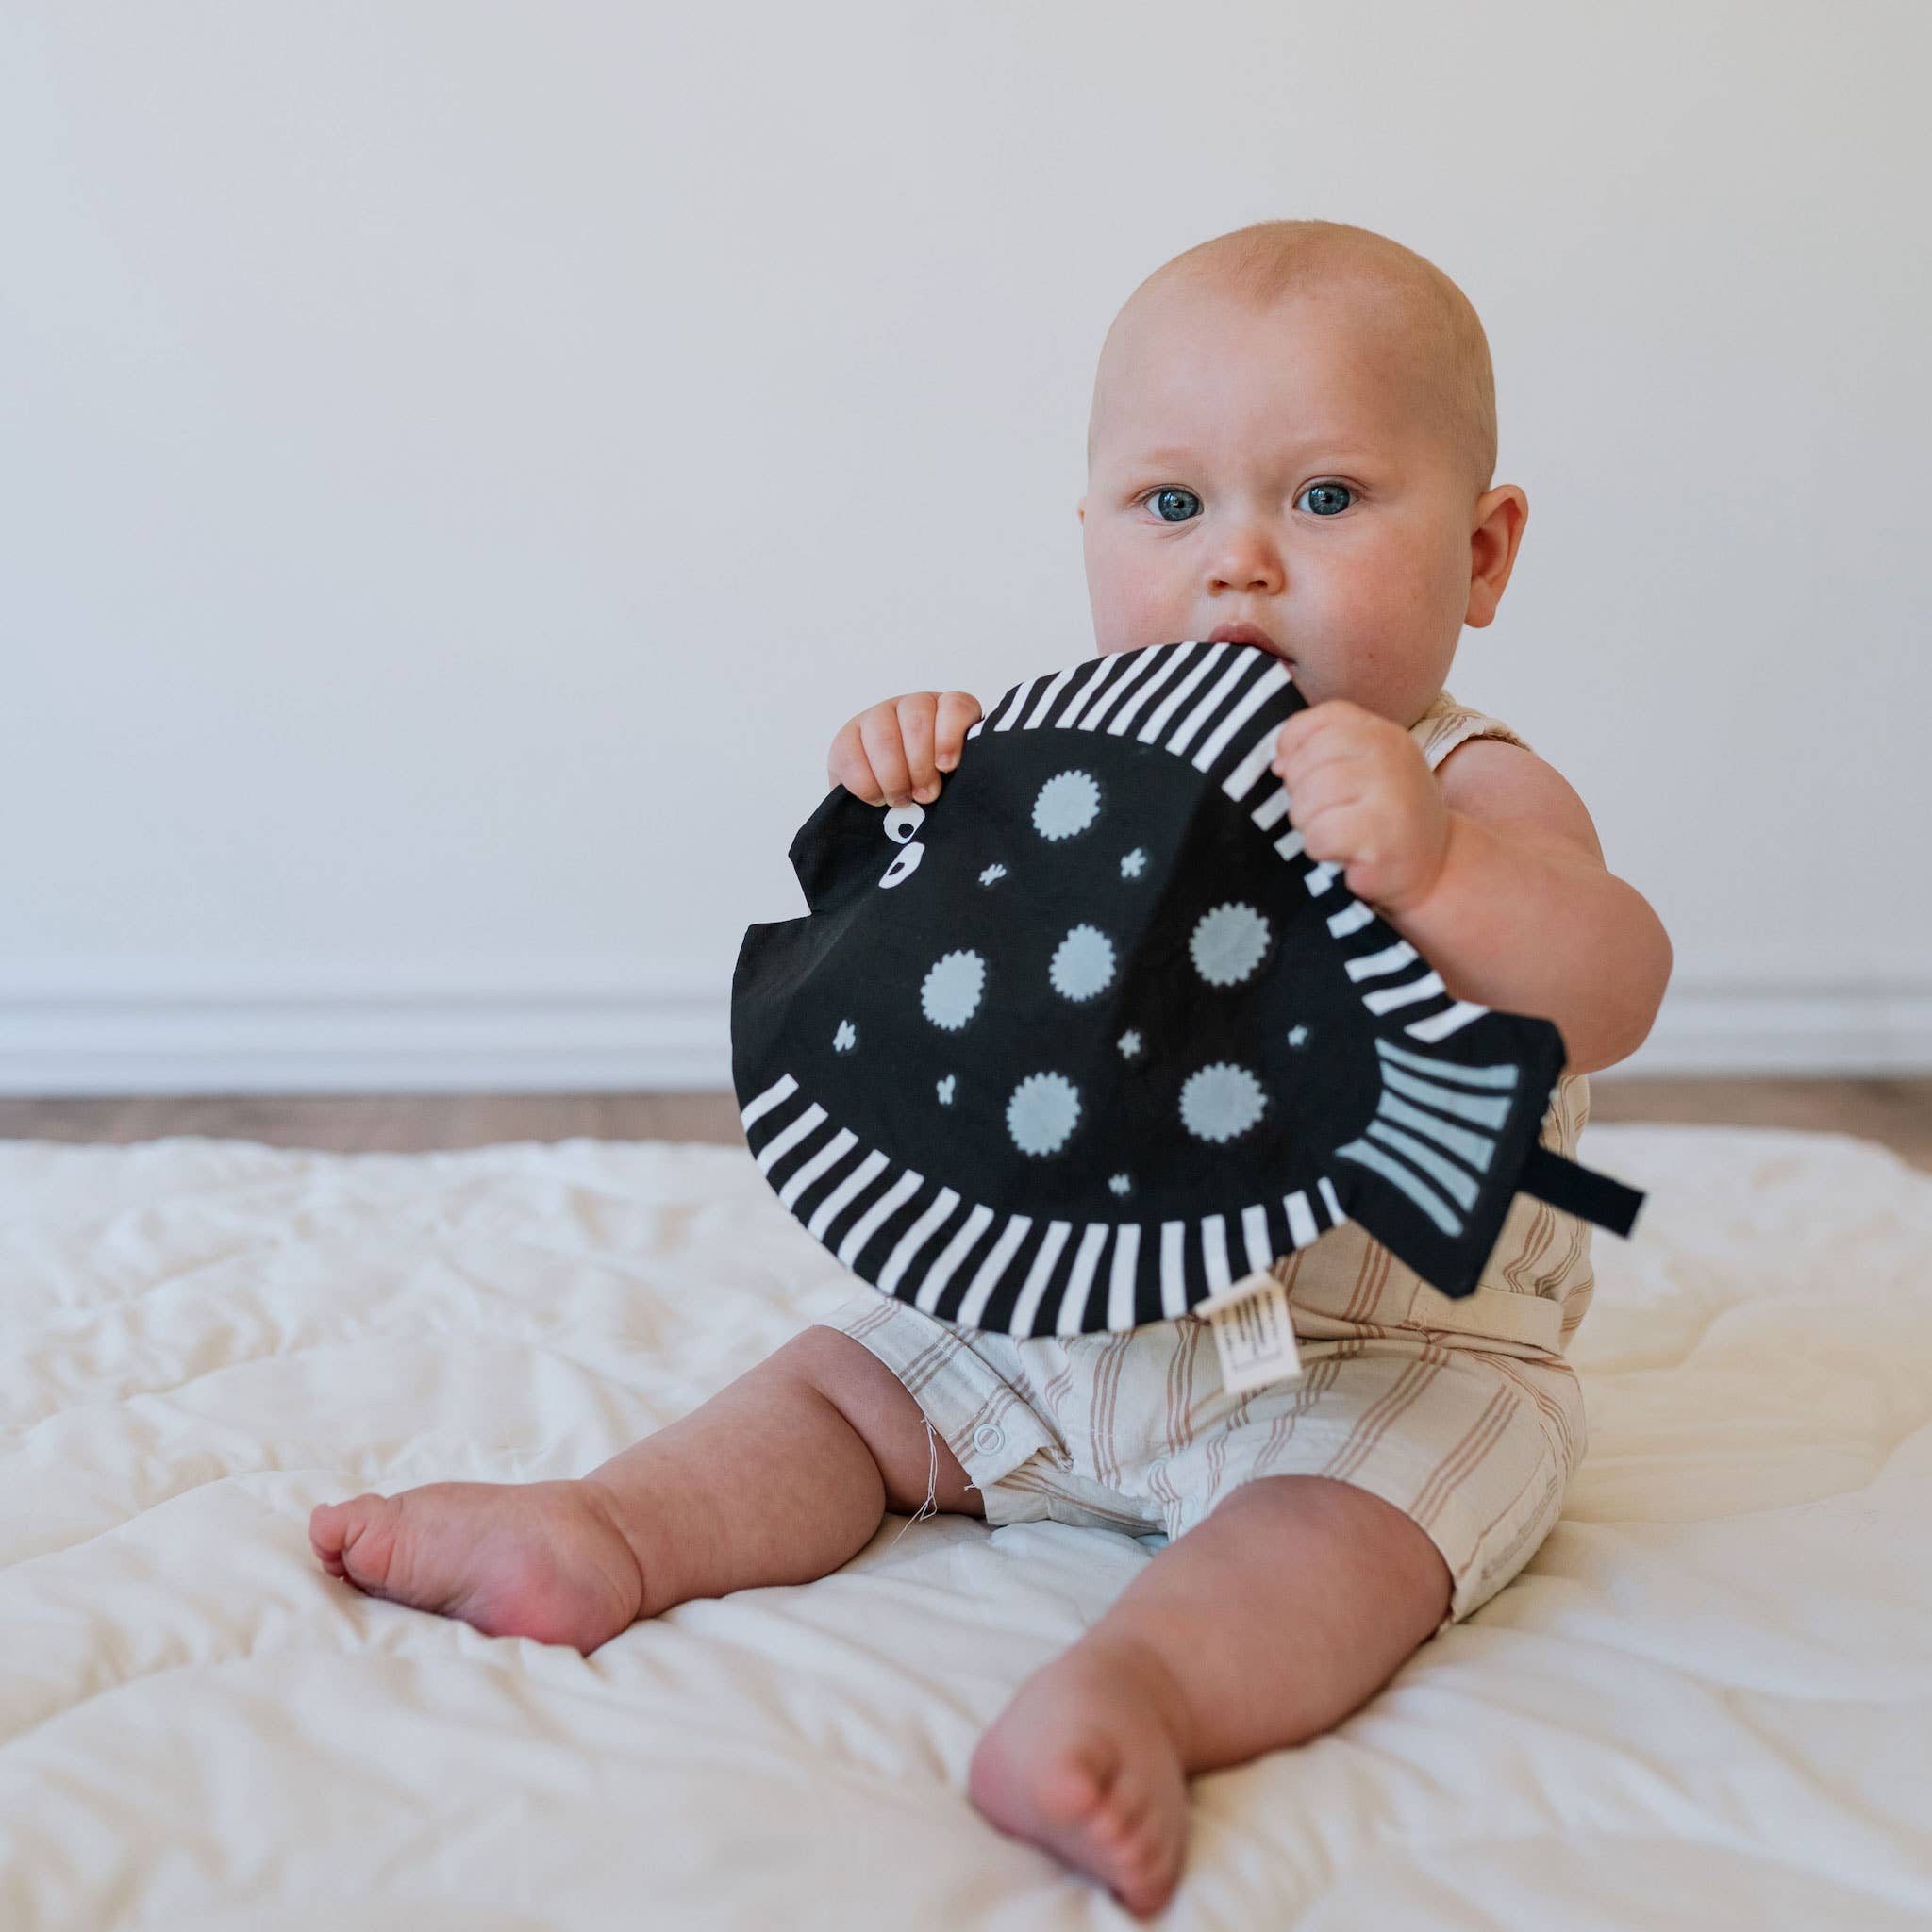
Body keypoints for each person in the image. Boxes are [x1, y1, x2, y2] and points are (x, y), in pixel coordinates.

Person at [309, 218, 1674, 1918]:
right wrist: (917, 793)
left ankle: (1140, 1693)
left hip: (1377, 1357)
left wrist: (1445, 874)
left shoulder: (1469, 786)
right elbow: (957, 981)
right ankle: (608, 1529)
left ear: (1480, 552)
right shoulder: (1079, 760)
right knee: (845, 1384)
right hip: (1067, 1312)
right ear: (1092, 528)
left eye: (1325, 498)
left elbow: (1613, 983)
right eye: (1171, 504)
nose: (1238, 565)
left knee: (1347, 1532)